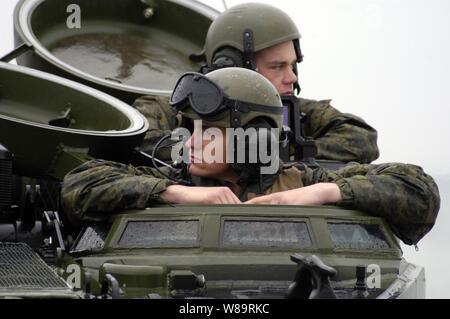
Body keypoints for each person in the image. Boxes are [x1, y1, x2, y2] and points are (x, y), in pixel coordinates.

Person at [62, 68, 440, 246]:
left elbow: (419, 190)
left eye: (208, 133)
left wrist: (321, 194)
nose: (190, 143)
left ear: (256, 138)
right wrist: (175, 194)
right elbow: (80, 184)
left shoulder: (303, 180)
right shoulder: (177, 179)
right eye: (191, 130)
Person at [134, 2, 379, 164]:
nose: (291, 77)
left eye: (292, 65)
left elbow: (362, 140)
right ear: (231, 66)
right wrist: (232, 153)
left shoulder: (296, 110)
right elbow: (139, 141)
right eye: (277, 66)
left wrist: (280, 150)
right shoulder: (174, 109)